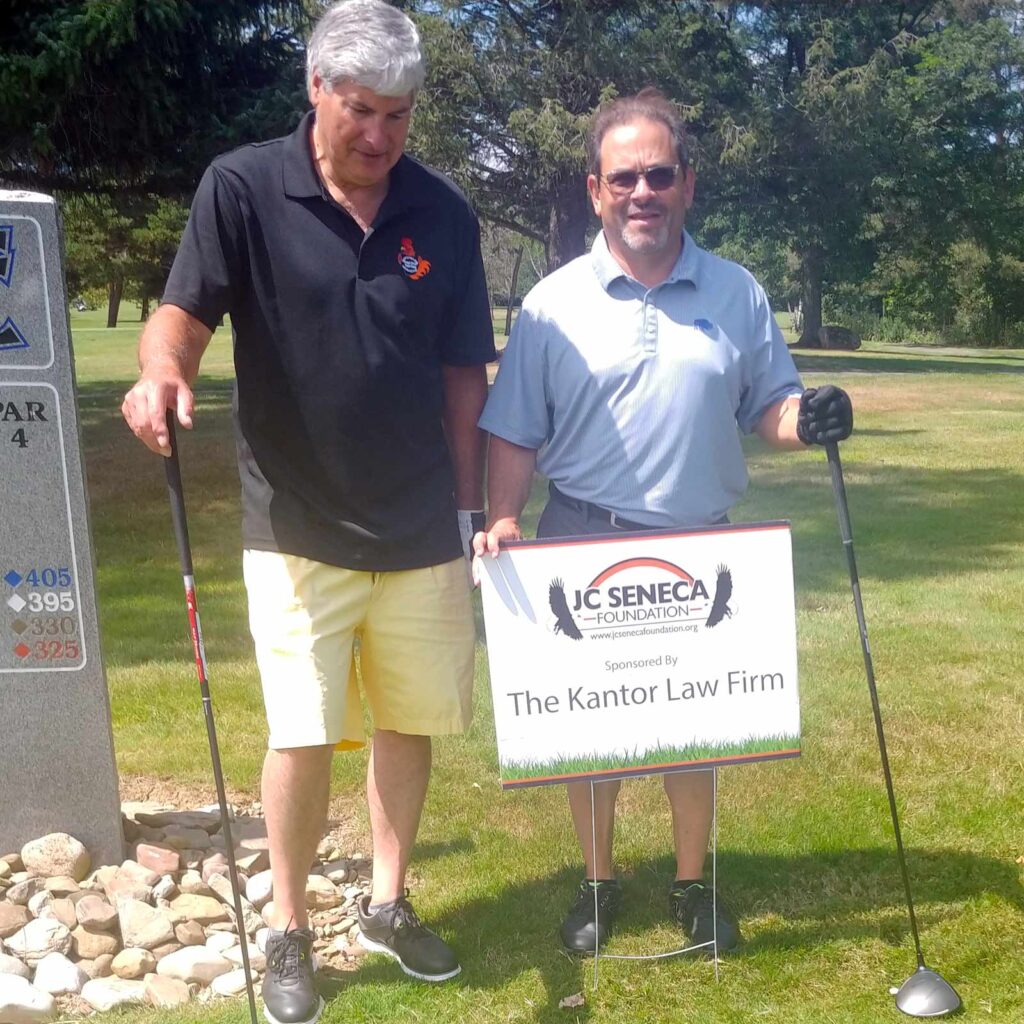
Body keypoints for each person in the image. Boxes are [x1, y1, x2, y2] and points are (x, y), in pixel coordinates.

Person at [121, 3, 494, 1021]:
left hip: (420, 523)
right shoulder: (243, 186)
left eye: (400, 116)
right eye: (362, 110)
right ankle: (287, 923)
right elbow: (181, 314)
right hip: (294, 524)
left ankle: (387, 899)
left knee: (410, 722)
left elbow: (467, 376)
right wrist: (160, 376)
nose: (379, 136)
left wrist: (470, 510)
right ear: (317, 90)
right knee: (302, 731)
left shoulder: (444, 213)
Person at [474, 88, 852, 957]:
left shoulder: (736, 289)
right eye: (623, 178)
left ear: (687, 183)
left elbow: (771, 405)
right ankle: (598, 885)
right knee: (589, 727)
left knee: (693, 724)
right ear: (595, 190)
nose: (641, 192)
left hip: (700, 541)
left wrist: (811, 418)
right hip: (579, 536)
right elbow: (513, 426)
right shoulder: (552, 303)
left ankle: (691, 884)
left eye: (658, 175)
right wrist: (501, 517)